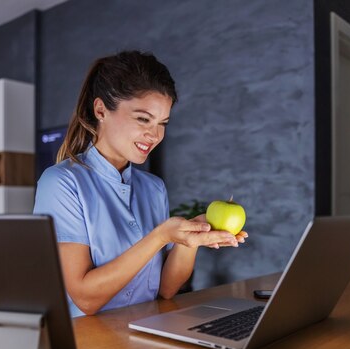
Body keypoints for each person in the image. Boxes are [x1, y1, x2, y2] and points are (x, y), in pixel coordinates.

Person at [34, 50, 247, 316]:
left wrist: (190, 239)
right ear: (100, 109)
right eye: (143, 119)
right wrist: (159, 237)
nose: (155, 135)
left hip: (149, 333)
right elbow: (85, 299)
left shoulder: (153, 187)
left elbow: (167, 290)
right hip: (90, 344)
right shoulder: (61, 183)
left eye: (163, 123)